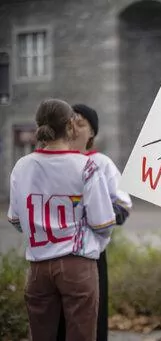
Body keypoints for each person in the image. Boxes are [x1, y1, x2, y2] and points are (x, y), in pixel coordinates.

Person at [7, 99, 116, 341]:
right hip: (76, 264)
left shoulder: (22, 166)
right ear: (70, 126)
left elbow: (15, 220)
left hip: (37, 268)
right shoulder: (86, 166)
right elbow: (104, 223)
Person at [56, 104, 132, 341]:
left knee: (91, 319)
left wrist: (94, 212)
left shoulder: (101, 163)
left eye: (81, 124)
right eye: (70, 123)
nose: (74, 128)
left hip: (91, 254)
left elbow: (123, 206)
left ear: (92, 133)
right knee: (55, 319)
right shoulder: (50, 162)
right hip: (54, 252)